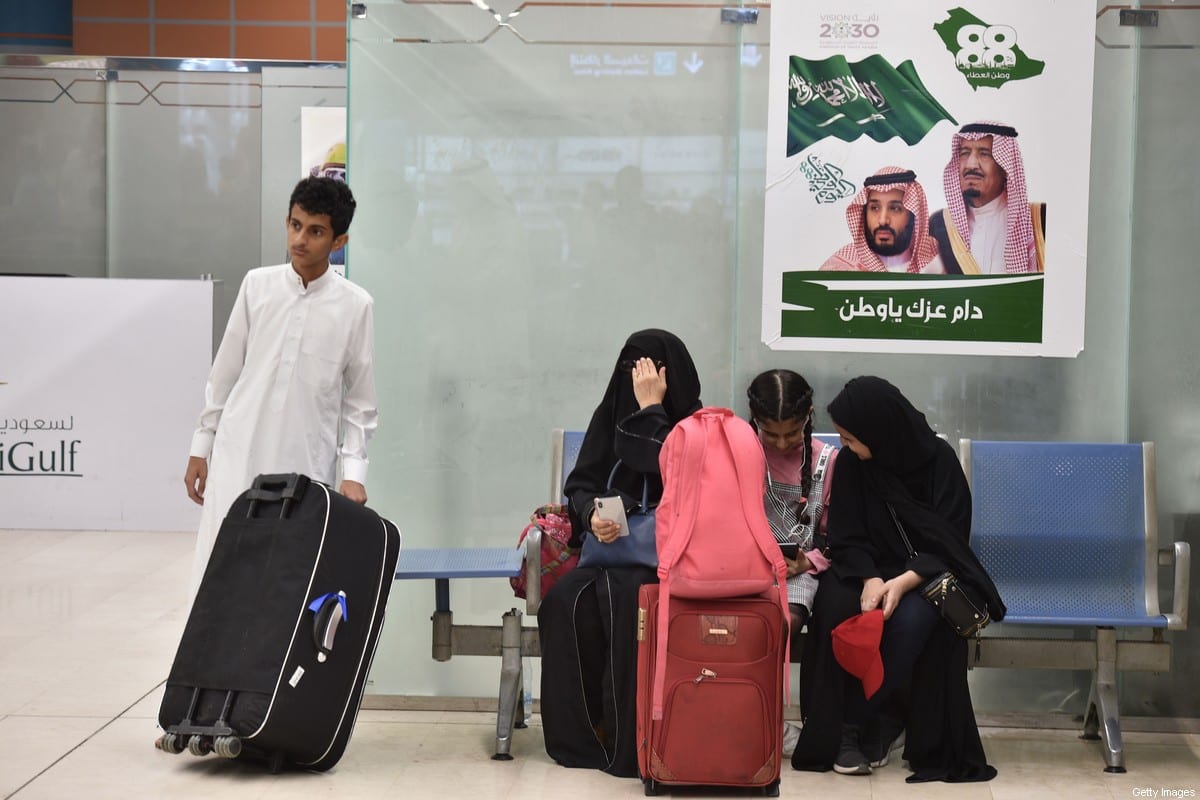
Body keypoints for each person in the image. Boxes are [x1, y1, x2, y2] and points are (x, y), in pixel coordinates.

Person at [791, 376, 1004, 781]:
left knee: (912, 619)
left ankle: (863, 723)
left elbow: (951, 541)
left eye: (852, 439)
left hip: (925, 571)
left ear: (880, 430)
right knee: (836, 603)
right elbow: (846, 536)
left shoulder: (939, 462)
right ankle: (848, 727)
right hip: (864, 565)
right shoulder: (853, 464)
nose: (846, 447)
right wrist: (871, 578)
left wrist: (905, 580)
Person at [183, 176, 378, 596]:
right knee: (220, 577)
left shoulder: (355, 306)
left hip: (305, 464)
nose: (300, 239)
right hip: (238, 454)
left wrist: (353, 473)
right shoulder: (257, 286)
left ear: (339, 240)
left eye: (315, 231)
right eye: (294, 225)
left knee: (286, 586)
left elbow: (360, 404)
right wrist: (202, 446)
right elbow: (224, 374)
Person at [538, 329, 701, 778]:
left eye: (649, 372)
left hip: (672, 567)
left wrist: (652, 410)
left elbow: (675, 467)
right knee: (563, 602)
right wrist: (591, 514)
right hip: (609, 557)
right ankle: (585, 737)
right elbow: (581, 484)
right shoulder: (609, 417)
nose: (637, 380)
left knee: (630, 604)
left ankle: (637, 740)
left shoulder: (694, 426)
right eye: (631, 371)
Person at [746, 368, 839, 756]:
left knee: (783, 622)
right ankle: (744, 712)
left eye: (792, 432)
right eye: (771, 433)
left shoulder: (826, 461)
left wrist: (808, 562)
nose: (782, 442)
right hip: (746, 565)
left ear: (808, 417)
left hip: (798, 571)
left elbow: (835, 539)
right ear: (754, 422)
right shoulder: (742, 453)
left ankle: (769, 719)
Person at [928, 122, 1047, 274]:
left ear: (1006, 166)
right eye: (964, 153)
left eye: (984, 154)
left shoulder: (1039, 218)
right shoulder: (940, 224)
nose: (971, 165)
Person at [820, 167, 944, 274]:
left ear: (914, 216)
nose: (883, 220)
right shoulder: (843, 266)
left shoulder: (940, 257)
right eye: (874, 208)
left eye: (895, 208)